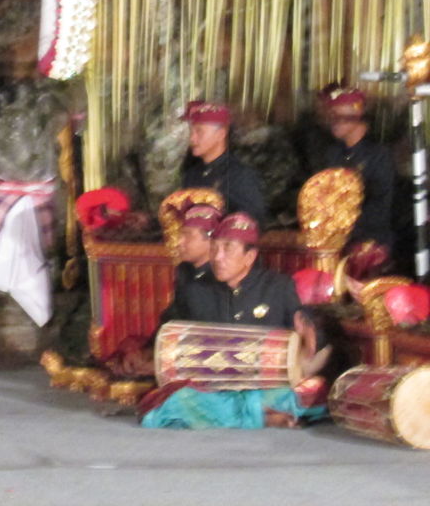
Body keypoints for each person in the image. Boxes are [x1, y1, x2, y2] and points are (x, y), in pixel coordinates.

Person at [143, 213, 329, 430]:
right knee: (173, 400)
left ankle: (245, 415)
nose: (218, 257)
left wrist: (312, 337)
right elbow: (167, 332)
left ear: (249, 256)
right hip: (214, 390)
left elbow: (306, 324)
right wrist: (148, 354)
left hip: (266, 387)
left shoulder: (278, 286)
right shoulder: (194, 291)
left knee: (315, 390)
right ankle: (263, 417)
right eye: (214, 248)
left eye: (227, 248)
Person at [320, 87, 394, 277]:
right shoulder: (333, 154)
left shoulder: (378, 155)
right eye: (331, 116)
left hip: (369, 243)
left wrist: (349, 226)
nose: (333, 123)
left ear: (356, 115)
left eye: (339, 116)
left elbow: (381, 205)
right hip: (338, 243)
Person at [181, 101, 266, 225]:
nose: (192, 138)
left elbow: (252, 224)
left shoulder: (240, 176)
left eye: (199, 131)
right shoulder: (192, 174)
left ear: (221, 134)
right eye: (191, 132)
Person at [158, 203, 221, 325]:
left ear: (211, 240)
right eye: (180, 235)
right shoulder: (185, 271)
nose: (179, 242)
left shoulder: (221, 277)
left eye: (187, 235)